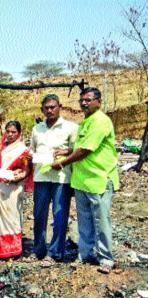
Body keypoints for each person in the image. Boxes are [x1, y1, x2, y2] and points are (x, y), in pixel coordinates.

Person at [52, 87, 119, 274]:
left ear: (99, 101)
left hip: (98, 178)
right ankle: (86, 254)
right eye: (82, 100)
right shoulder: (86, 121)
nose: (84, 103)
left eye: (88, 100)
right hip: (81, 180)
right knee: (84, 220)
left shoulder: (101, 121)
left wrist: (62, 163)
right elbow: (78, 146)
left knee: (101, 220)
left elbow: (85, 150)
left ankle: (106, 258)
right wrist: (65, 151)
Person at [30, 94, 78, 263]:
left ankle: (56, 252)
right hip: (41, 178)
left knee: (59, 216)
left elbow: (77, 150)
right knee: (39, 215)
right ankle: (39, 250)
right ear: (42, 109)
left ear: (60, 107)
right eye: (46, 108)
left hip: (61, 178)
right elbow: (32, 150)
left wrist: (65, 153)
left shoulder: (71, 127)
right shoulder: (37, 129)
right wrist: (30, 159)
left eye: (53, 107)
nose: (49, 110)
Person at [0, 121, 32, 259]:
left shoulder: (23, 150)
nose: (10, 135)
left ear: (19, 133)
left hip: (13, 187)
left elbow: (26, 170)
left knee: (12, 216)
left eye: (13, 132)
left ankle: (12, 249)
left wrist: (17, 177)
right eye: (8, 131)